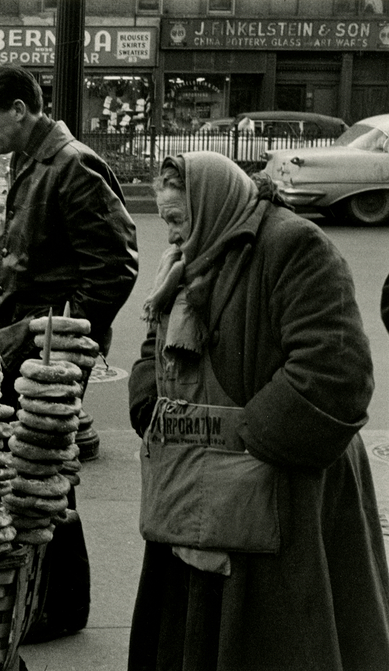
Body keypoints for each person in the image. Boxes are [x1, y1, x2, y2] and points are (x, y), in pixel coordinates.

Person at [127, 151, 389, 670]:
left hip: (284, 495)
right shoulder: (189, 260)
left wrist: (241, 438)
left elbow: (335, 373)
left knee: (277, 643)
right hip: (199, 494)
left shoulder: (294, 246)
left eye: (178, 220)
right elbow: (154, 349)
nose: (172, 235)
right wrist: (150, 406)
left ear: (211, 206)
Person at [0, 63, 139, 640]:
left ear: (21, 109)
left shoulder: (73, 165)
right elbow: (15, 258)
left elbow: (114, 268)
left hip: (47, 355)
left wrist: (60, 338)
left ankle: (61, 607)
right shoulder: (33, 162)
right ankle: (45, 599)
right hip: (21, 345)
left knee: (46, 474)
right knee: (33, 474)